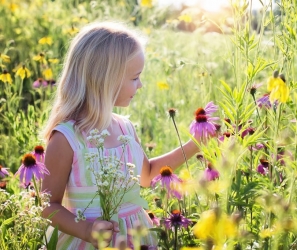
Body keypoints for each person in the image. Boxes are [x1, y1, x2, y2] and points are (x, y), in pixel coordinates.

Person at [41, 21, 201, 249]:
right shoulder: (67, 138)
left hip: (136, 238)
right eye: (135, 77)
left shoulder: (125, 128)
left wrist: (195, 144)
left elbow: (146, 176)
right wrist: (86, 230)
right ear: (106, 80)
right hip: (86, 242)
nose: (141, 84)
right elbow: (48, 206)